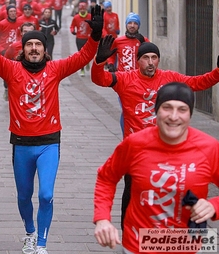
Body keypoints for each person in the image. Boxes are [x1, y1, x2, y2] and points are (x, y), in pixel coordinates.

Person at [0, 0, 103, 254]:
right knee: (24, 198)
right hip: (21, 144)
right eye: (29, 44)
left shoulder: (55, 69)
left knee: (45, 195)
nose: (34, 48)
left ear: (45, 50)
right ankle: (30, 233)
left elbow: (83, 56)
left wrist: (95, 35)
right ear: (23, 49)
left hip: (48, 143)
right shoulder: (11, 69)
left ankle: (42, 244)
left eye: (38, 45)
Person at [91, 35, 219, 232]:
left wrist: (218, 72)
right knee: (132, 193)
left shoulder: (169, 78)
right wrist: (99, 62)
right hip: (137, 151)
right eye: (145, 58)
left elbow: (197, 83)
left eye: (154, 57)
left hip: (168, 148)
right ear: (137, 60)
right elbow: (100, 79)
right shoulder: (125, 79)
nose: (150, 62)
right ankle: (129, 233)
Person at [93, 82, 219, 254]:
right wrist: (102, 218)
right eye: (167, 108)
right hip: (138, 245)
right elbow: (106, 177)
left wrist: (214, 206)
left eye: (182, 109)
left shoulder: (210, 148)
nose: (174, 117)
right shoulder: (135, 143)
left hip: (187, 246)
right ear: (156, 111)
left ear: (190, 114)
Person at [0, 4, 22, 101]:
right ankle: (6, 88)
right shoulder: (2, 24)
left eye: (14, 11)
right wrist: (1, 49)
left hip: (17, 52)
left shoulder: (20, 23)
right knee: (7, 73)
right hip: (5, 52)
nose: (13, 13)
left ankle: (17, 91)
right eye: (11, 12)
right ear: (7, 13)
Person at [70, 1, 92, 76]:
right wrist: (72, 31)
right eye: (81, 9)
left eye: (84, 9)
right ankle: (82, 69)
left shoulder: (89, 17)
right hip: (79, 38)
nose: (82, 11)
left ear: (86, 9)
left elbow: (93, 26)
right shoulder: (76, 17)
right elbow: (72, 26)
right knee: (81, 54)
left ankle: (87, 62)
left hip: (88, 38)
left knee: (88, 53)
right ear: (79, 10)